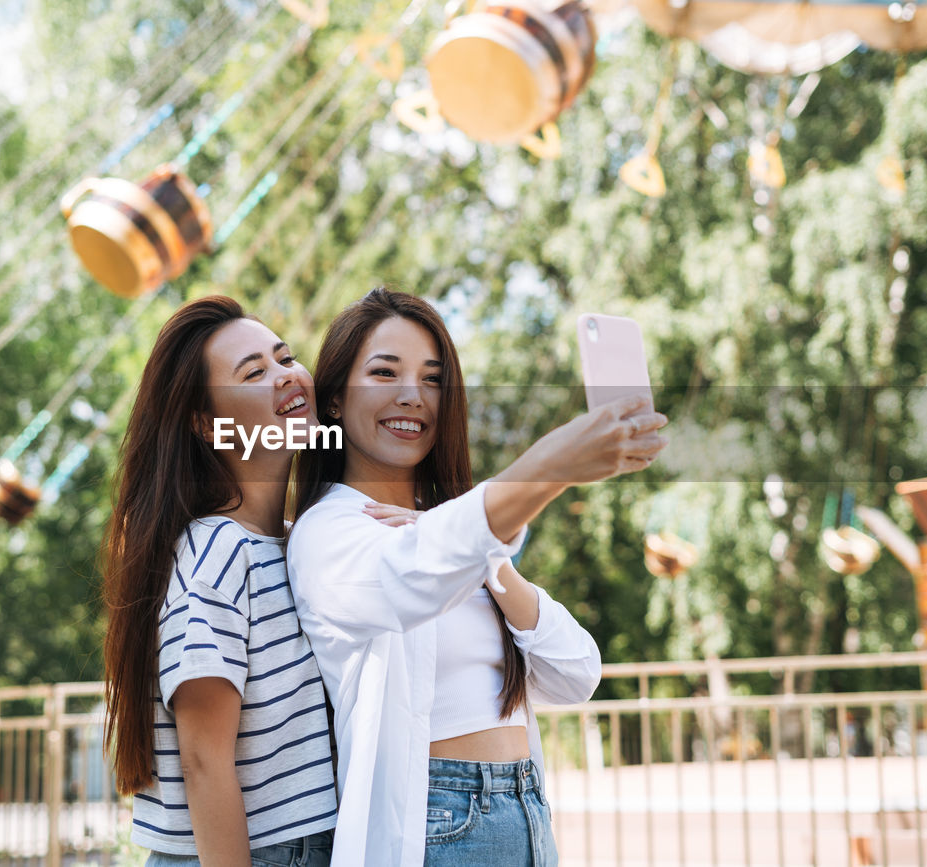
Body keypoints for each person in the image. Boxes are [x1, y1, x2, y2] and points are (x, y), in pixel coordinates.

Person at [287, 287, 668, 866]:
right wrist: (552, 468)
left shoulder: (457, 536)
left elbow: (578, 673)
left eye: (433, 379)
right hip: (437, 824)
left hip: (525, 810)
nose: (412, 395)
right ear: (335, 400)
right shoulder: (328, 532)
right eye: (384, 373)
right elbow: (407, 579)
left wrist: (493, 567)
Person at [101, 295, 340, 866]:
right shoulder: (218, 552)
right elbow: (204, 759)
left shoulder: (292, 540)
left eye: (285, 358)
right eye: (255, 372)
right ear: (207, 424)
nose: (286, 377)